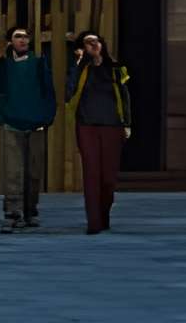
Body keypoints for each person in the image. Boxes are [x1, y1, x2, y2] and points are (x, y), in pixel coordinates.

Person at [0, 23, 58, 232]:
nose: (23, 40)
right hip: (13, 124)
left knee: (33, 172)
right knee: (12, 172)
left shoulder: (38, 63)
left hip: (36, 125)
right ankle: (12, 213)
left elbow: (49, 92)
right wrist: (1, 117)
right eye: (18, 36)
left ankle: (30, 212)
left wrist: (45, 117)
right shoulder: (4, 66)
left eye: (26, 36)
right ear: (11, 41)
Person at [63, 29, 134, 234]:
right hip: (87, 126)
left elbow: (125, 97)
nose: (92, 45)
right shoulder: (80, 69)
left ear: (102, 44)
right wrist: (77, 64)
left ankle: (104, 215)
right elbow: (69, 93)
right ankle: (93, 222)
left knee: (108, 177)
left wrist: (127, 123)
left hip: (112, 125)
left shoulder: (115, 68)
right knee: (92, 174)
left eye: (95, 41)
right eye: (87, 42)